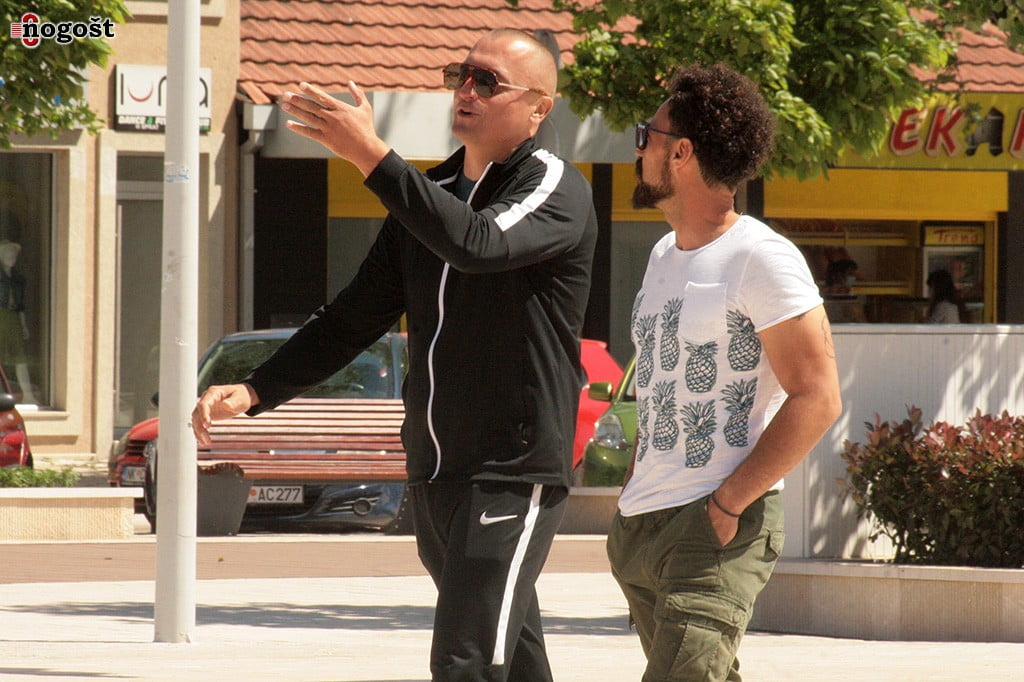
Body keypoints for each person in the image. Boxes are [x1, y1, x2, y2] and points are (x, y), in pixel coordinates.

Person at [191, 29, 597, 682]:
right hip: (436, 468)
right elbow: (354, 316)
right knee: (513, 658)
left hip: (511, 470)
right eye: (462, 74)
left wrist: (372, 156)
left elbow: (478, 243)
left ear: (538, 108)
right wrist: (258, 388)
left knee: (464, 660)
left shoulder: (554, 186)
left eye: (488, 81)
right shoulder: (430, 194)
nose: (467, 90)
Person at [607, 65, 842, 682]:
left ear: (681, 153)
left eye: (646, 136)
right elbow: (660, 379)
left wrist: (728, 502)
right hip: (642, 525)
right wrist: (631, 490)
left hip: (714, 523)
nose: (637, 150)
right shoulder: (663, 255)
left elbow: (818, 396)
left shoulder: (761, 257)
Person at [0, 240, 35, 403]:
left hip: (13, 318)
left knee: (20, 357)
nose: (11, 256)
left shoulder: (18, 279)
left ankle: (28, 394)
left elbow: (20, 305)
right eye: (8, 253)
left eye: (13, 253)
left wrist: (23, 325)